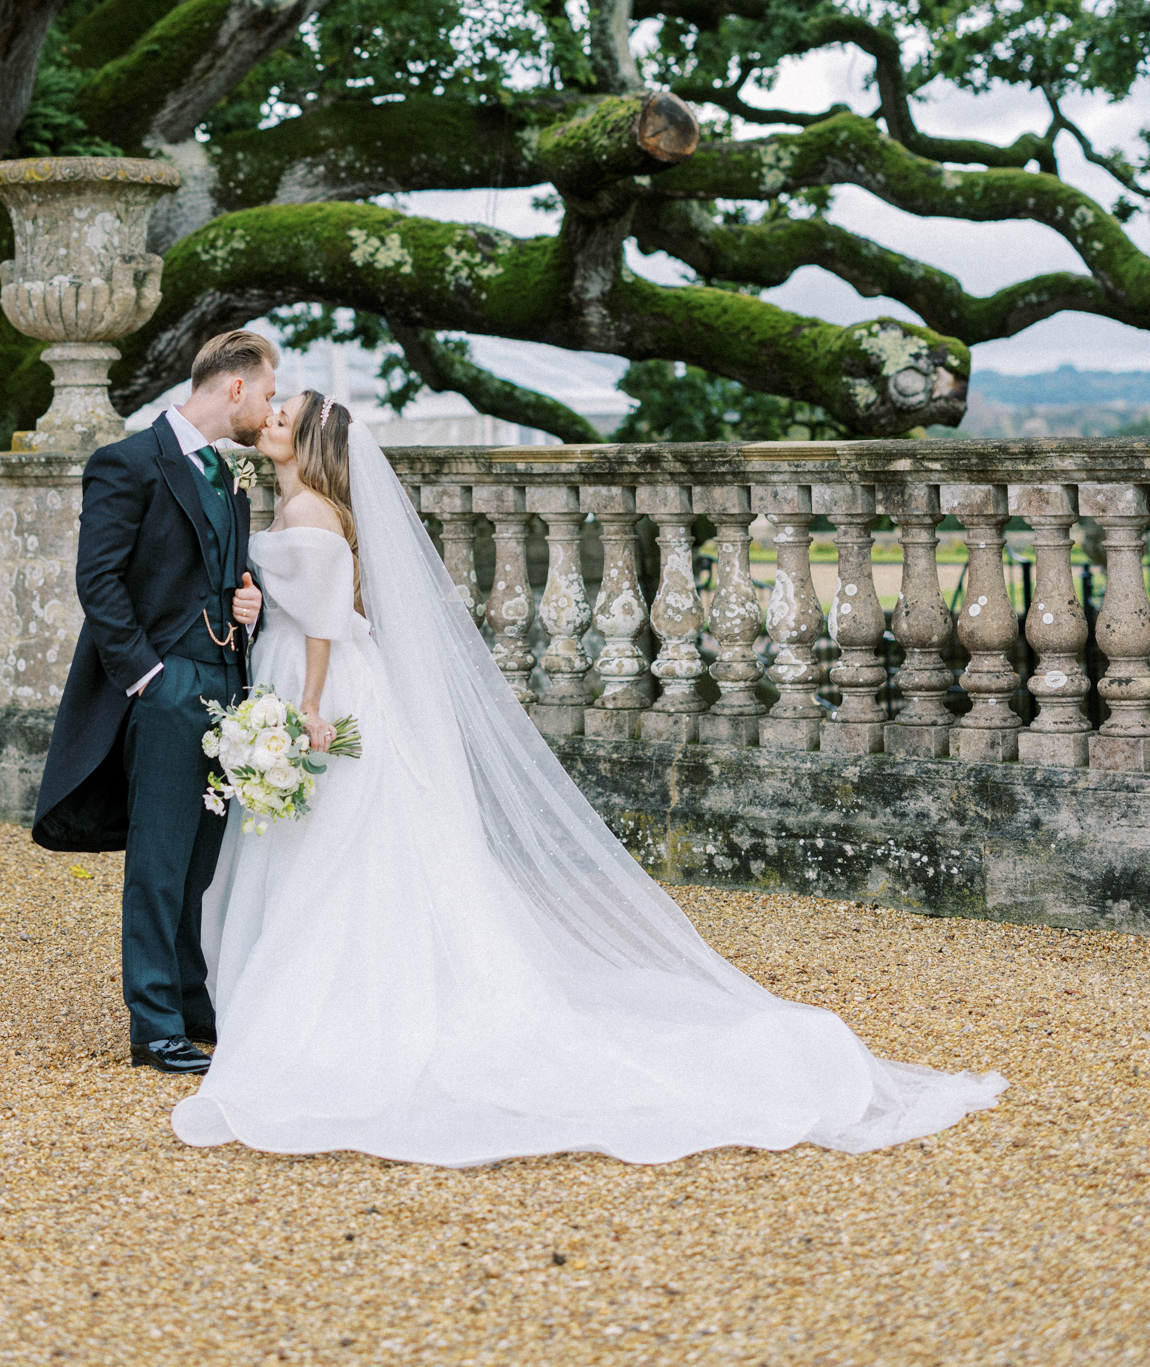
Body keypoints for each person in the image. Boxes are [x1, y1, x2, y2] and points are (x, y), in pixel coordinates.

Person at [172, 394, 1007, 1165]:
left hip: (321, 687)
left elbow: (322, 623)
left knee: (333, 847)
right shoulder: (297, 503)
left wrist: (309, 708)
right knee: (335, 843)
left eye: (282, 414)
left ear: (312, 443)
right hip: (304, 674)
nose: (268, 418)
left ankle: (324, 1005)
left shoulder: (310, 508)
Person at [31, 328, 276, 1075]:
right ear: (233, 387)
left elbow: (219, 578)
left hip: (224, 687)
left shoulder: (230, 480)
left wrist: (246, 606)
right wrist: (149, 678)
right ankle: (154, 1024)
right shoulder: (126, 462)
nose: (267, 408)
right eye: (265, 392)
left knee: (202, 862)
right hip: (167, 692)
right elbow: (97, 580)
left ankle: (193, 1004)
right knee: (161, 860)